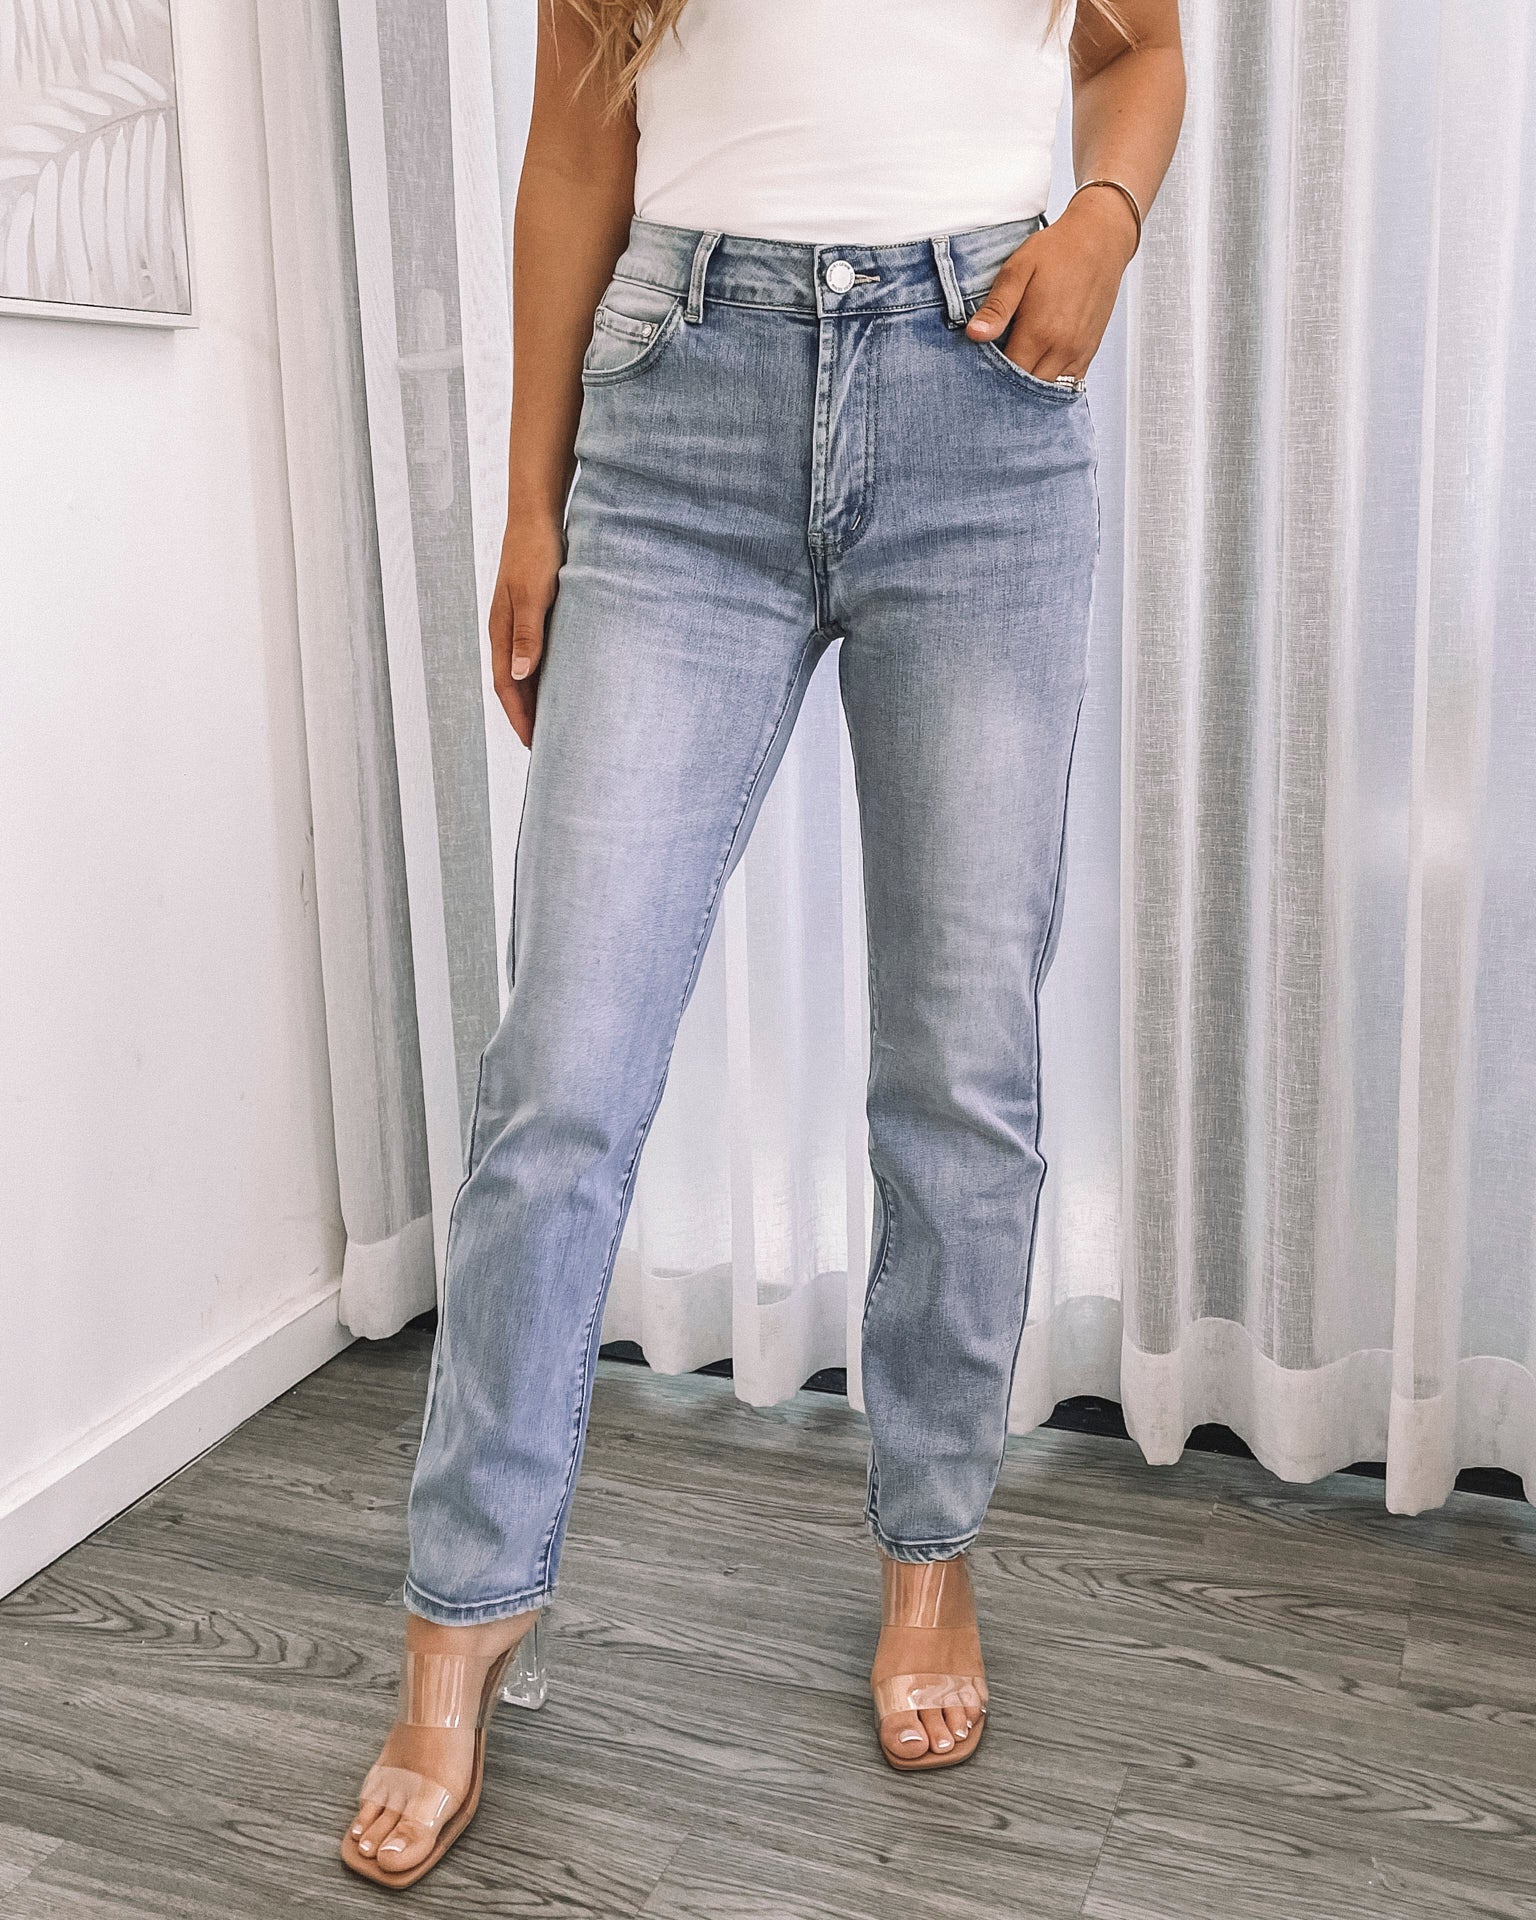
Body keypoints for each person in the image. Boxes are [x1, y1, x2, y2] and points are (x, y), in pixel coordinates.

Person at [343, 0, 1184, 1888]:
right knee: (560, 1075)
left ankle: (929, 1559)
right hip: (680, 411)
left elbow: (1141, 49)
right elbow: (579, 153)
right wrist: (533, 499)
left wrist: (1104, 219)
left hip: (980, 402)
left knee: (959, 1065)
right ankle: (459, 1626)